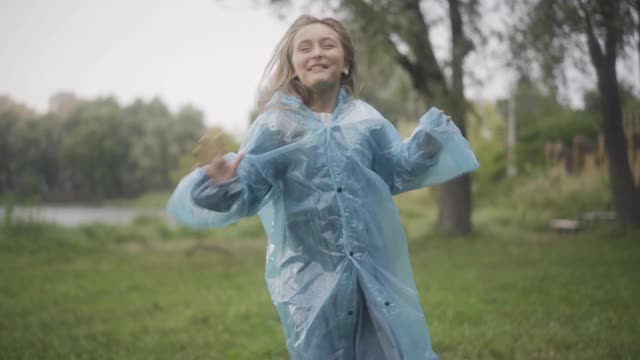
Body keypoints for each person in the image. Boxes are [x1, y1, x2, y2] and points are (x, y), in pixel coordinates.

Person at [168, 15, 479, 360]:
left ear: (345, 63)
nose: (317, 52)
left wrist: (428, 142)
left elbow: (396, 170)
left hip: (372, 271)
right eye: (305, 47)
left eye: (327, 45)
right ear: (293, 66)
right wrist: (219, 183)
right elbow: (250, 187)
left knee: (388, 349)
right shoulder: (276, 126)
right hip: (311, 280)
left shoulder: (367, 121)